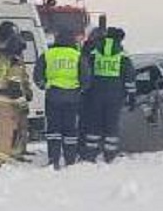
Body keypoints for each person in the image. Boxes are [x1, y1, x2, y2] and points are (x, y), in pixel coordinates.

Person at [81, 26, 136, 162]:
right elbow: (129, 77)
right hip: (115, 96)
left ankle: (90, 154)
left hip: (95, 94)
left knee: (94, 124)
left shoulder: (95, 52)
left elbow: (86, 72)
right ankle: (109, 155)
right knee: (111, 125)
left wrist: (86, 91)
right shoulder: (123, 55)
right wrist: (132, 96)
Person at [34, 29, 87, 169]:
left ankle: (54, 160)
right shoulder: (77, 55)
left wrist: (44, 86)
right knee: (70, 130)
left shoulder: (48, 54)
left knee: (53, 129)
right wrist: (80, 89)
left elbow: (37, 75)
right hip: (72, 98)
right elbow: (86, 78)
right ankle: (70, 160)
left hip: (53, 96)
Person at [0, 32, 31, 167]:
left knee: (7, 129)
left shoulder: (2, 59)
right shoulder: (14, 63)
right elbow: (14, 87)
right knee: (5, 132)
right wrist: (23, 105)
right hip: (4, 99)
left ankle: (5, 157)